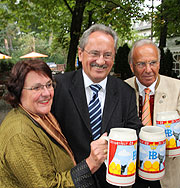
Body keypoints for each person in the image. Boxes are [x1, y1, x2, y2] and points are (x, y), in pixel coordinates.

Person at [51, 24, 142, 188]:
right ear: (80, 54)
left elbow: (134, 131)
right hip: (71, 180)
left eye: (107, 55)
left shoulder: (126, 92)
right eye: (94, 53)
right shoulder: (58, 87)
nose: (101, 61)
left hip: (113, 182)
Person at [0, 59, 108, 188]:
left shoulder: (40, 115)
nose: (46, 93)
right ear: (18, 91)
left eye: (49, 85)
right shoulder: (20, 135)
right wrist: (91, 163)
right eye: (36, 88)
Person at [125, 39, 180, 188]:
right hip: (132, 175)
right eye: (141, 64)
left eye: (153, 63)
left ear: (159, 64)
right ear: (132, 66)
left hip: (167, 175)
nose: (148, 69)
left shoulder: (177, 88)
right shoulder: (122, 89)